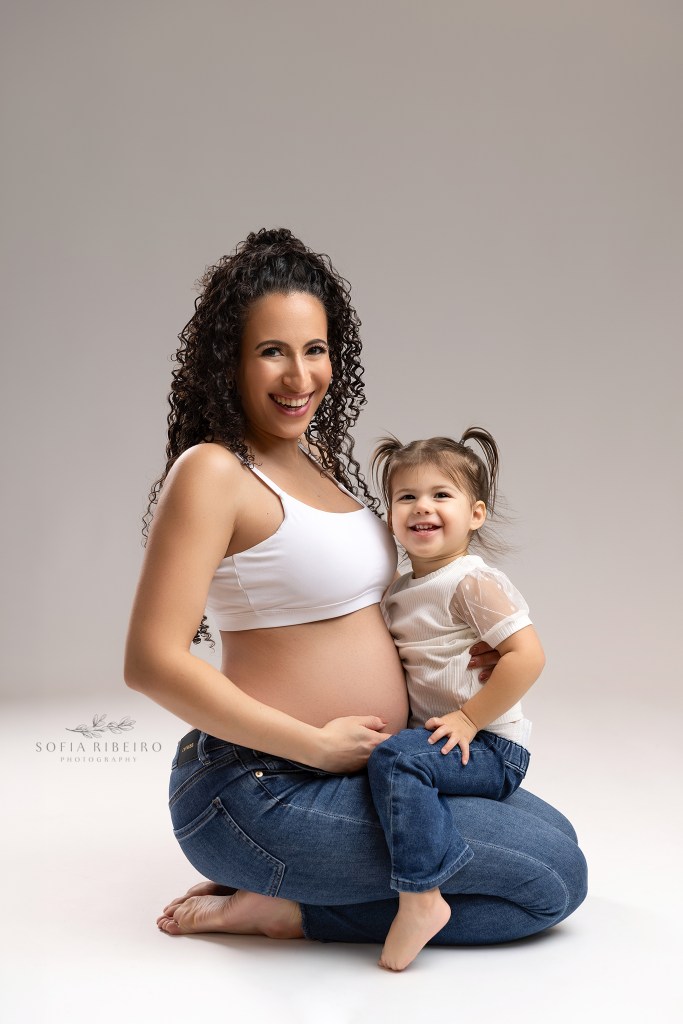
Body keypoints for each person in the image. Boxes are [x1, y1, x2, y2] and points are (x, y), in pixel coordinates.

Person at [124, 227, 587, 954]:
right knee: (550, 876)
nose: (299, 376)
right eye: (272, 351)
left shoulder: (316, 459)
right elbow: (152, 662)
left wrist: (463, 653)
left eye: (314, 349)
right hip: (259, 787)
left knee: (551, 838)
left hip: (376, 767)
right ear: (230, 362)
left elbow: (360, 610)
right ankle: (288, 912)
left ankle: (292, 900)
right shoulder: (213, 472)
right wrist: (312, 745)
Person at [366, 429, 544, 970]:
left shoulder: (471, 580)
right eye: (406, 496)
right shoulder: (397, 591)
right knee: (387, 753)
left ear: (476, 514)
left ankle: (421, 899)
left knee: (396, 758)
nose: (423, 507)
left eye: (442, 495)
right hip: (444, 738)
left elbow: (527, 657)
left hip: (491, 745)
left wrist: (469, 718)